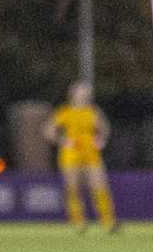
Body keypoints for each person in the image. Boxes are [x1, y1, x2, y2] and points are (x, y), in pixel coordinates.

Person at [47, 81, 116, 232]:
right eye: (81, 91)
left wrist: (101, 139)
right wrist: (63, 141)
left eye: (87, 92)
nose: (85, 94)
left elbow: (104, 128)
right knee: (73, 188)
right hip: (71, 154)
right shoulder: (64, 111)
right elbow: (49, 130)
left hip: (91, 153)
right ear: (73, 94)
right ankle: (78, 222)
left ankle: (108, 222)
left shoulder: (93, 112)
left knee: (100, 186)